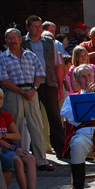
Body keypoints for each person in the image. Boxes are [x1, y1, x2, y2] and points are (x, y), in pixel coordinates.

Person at [0, 28, 51, 171]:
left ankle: (41, 160)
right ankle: (21, 159)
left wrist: (34, 89)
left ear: (20, 39)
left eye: (15, 38)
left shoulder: (30, 55)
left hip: (32, 92)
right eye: (10, 38)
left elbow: (40, 73)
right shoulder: (2, 58)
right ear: (6, 41)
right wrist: (20, 91)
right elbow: (2, 80)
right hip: (13, 93)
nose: (13, 41)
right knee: (17, 127)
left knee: (37, 126)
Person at [0, 86, 44, 189]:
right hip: (1, 147)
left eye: (0, 98)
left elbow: (16, 134)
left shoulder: (6, 115)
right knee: (17, 160)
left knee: (31, 159)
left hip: (10, 145)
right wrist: (12, 146)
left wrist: (4, 135)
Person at [22, 15, 66, 157]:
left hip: (49, 83)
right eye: (35, 26)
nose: (38, 29)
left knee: (55, 117)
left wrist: (60, 86)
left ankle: (61, 149)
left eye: (40, 26)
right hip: (30, 85)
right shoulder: (22, 42)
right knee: (34, 119)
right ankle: (37, 151)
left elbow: (57, 64)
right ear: (28, 27)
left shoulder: (48, 42)